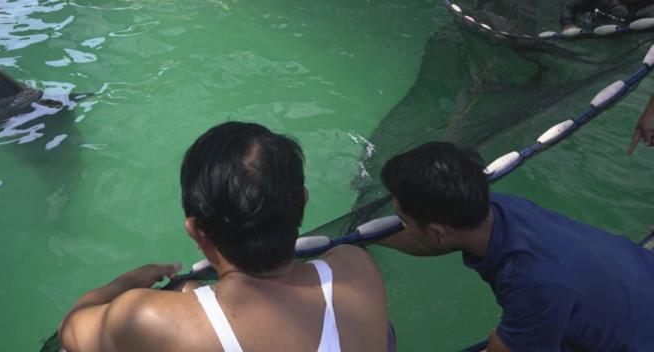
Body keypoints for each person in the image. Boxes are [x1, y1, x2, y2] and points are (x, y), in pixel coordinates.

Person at [59, 121, 391, 352]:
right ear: (302, 201)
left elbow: (72, 329)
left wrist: (133, 280)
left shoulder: (152, 318)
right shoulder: (354, 270)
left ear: (196, 231)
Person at [378, 141, 654, 352]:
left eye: (403, 221)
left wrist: (502, 342)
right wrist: (363, 238)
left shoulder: (533, 283)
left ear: (437, 231)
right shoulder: (497, 208)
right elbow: (435, 242)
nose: (401, 226)